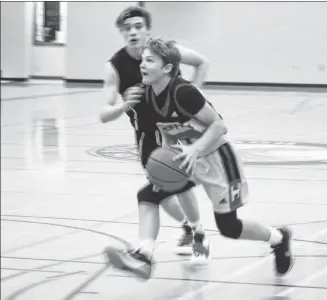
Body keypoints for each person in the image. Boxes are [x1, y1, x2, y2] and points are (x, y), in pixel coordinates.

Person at [105, 37, 294, 280]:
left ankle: (279, 238)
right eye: (142, 60)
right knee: (148, 194)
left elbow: (219, 125)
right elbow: (165, 128)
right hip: (189, 158)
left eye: (149, 60)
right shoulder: (149, 95)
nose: (142, 65)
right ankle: (145, 256)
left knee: (229, 227)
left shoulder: (184, 92)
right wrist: (171, 154)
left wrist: (194, 150)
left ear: (167, 68)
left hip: (219, 160)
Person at [100, 6, 210, 269]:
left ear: (148, 29)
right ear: (121, 33)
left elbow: (202, 63)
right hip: (147, 137)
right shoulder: (115, 66)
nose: (133, 32)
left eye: (138, 26)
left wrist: (191, 95)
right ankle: (188, 227)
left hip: (177, 130)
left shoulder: (166, 51)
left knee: (179, 185)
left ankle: (198, 236)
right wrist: (122, 106)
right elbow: (104, 113)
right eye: (126, 29)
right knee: (164, 185)